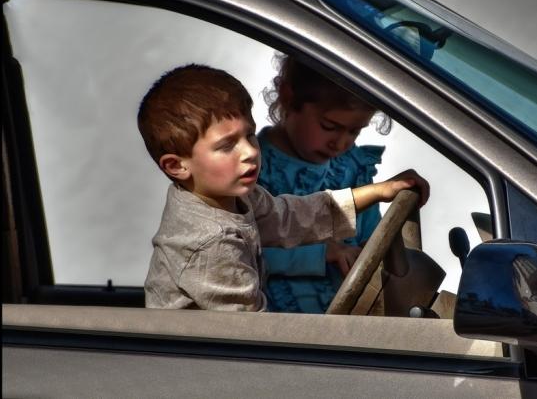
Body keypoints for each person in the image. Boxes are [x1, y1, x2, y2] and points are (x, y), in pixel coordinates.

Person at [137, 63, 429, 312]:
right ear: (177, 166)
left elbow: (293, 216)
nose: (250, 152)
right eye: (227, 145)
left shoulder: (232, 198)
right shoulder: (209, 244)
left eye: (249, 136)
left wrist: (378, 191)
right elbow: (252, 337)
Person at [257, 54, 393, 313]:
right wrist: (321, 254)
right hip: (274, 330)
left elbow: (373, 238)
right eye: (329, 126)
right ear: (288, 97)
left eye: (354, 131)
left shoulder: (353, 168)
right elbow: (240, 253)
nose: (340, 143)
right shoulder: (250, 170)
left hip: (346, 324)